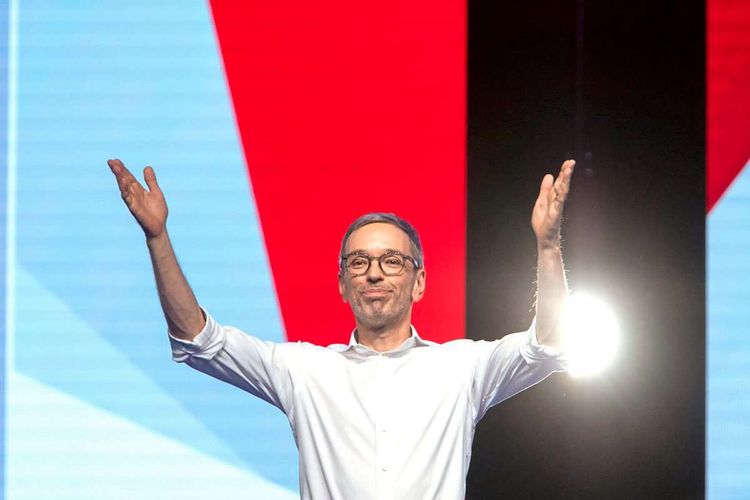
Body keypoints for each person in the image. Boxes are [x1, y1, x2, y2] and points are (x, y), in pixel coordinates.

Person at [107, 158, 575, 500]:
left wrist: (549, 247)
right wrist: (157, 237)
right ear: (342, 284)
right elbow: (198, 339)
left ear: (419, 282)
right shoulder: (305, 371)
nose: (374, 273)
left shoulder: (461, 369)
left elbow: (548, 345)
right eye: (359, 262)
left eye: (392, 261)